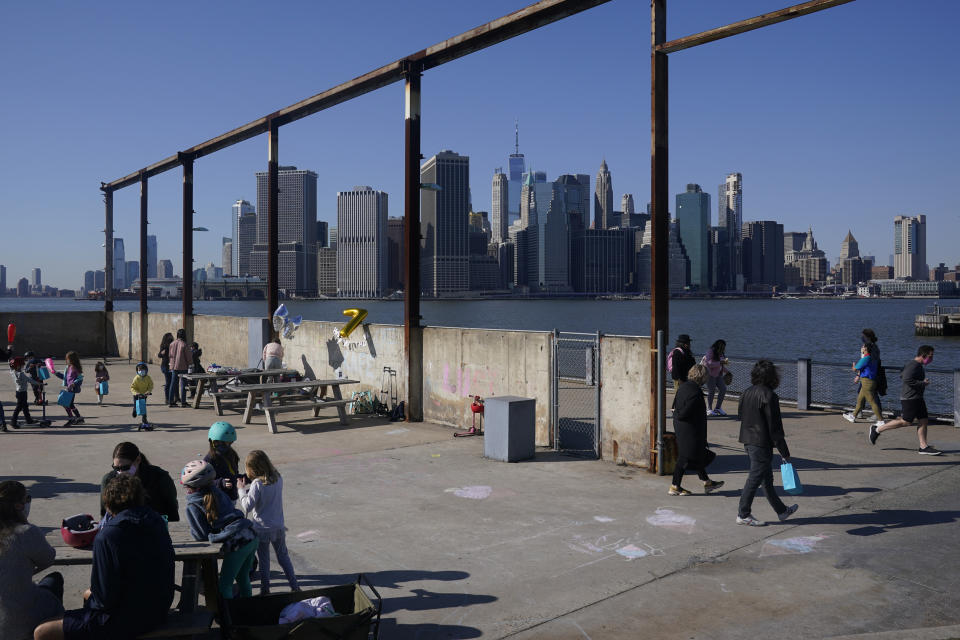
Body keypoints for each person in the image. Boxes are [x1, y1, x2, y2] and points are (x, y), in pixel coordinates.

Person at [34, 474, 175, 640]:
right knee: (88, 594)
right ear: (141, 497)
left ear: (108, 505)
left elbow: (103, 600)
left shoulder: (108, 536)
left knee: (42, 631)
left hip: (132, 618)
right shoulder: (156, 520)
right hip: (158, 609)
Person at [182, 460, 258, 599]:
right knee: (243, 578)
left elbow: (201, 536)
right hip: (251, 534)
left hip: (237, 543)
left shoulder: (193, 505)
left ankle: (228, 618)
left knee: (224, 586)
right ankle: (249, 610)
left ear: (190, 487)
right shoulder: (217, 491)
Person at [736, 359, 798, 526]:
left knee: (766, 479)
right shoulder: (769, 396)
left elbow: (740, 415)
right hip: (761, 443)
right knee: (755, 478)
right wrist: (784, 452)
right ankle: (743, 514)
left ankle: (782, 511)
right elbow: (775, 427)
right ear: (772, 377)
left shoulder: (746, 392)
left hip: (748, 441)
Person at [0, 481, 65, 640]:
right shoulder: (26, 532)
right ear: (18, 506)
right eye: (26, 498)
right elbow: (48, 558)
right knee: (54, 580)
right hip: (19, 623)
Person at [239, 450, 300, 594]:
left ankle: (265, 589)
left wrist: (241, 490)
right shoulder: (278, 478)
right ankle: (295, 586)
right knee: (283, 556)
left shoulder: (257, 484)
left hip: (262, 529)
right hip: (278, 526)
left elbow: (248, 505)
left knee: (264, 560)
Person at [869, 345, 940, 455]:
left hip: (918, 397)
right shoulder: (914, 365)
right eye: (930, 356)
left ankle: (923, 447)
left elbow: (902, 374)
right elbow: (906, 378)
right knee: (906, 421)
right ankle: (877, 429)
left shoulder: (916, 365)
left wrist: (920, 383)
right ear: (923, 355)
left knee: (923, 420)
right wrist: (923, 383)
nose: (931, 359)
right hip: (910, 398)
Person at [668, 364, 724, 496]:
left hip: (682, 427)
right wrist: (678, 414)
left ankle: (707, 482)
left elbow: (676, 407)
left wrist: (676, 413)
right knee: (685, 457)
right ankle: (675, 486)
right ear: (702, 377)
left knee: (696, 455)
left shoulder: (683, 387)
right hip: (690, 429)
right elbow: (683, 412)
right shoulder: (696, 392)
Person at [100, 442, 179, 522]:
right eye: (116, 468)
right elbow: (104, 513)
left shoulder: (159, 477)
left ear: (138, 460)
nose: (121, 472)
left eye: (125, 467)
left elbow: (172, 507)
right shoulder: (109, 480)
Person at [843, 342, 884, 425]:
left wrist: (853, 366)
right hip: (871, 381)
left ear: (866, 349)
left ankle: (881, 420)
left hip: (866, 382)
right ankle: (853, 416)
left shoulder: (866, 358)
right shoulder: (873, 358)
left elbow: (856, 368)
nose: (861, 347)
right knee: (860, 399)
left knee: (872, 401)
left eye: (863, 346)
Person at [205, 421, 242, 502]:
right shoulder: (209, 460)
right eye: (224, 443)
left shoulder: (232, 455)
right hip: (218, 498)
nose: (227, 446)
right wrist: (221, 483)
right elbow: (205, 482)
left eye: (229, 443)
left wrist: (244, 478)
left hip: (231, 496)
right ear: (214, 442)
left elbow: (233, 474)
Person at [8, 356, 40, 430]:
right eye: (22, 365)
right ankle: (13, 422)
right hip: (22, 393)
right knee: (19, 407)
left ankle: (28, 420)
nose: (23, 366)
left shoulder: (12, 371)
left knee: (25, 406)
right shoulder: (20, 374)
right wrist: (39, 384)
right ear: (18, 366)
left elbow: (11, 366)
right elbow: (29, 380)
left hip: (18, 392)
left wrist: (11, 361)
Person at [53, 352, 84, 425]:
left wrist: (74, 383)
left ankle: (72, 418)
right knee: (69, 404)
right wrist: (56, 373)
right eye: (67, 358)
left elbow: (80, 378)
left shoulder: (74, 367)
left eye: (68, 358)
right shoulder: (68, 367)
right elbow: (65, 378)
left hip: (72, 389)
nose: (67, 360)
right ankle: (78, 418)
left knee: (66, 403)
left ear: (72, 359)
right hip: (69, 388)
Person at [704, 339, 730, 416]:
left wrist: (727, 372)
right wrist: (720, 362)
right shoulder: (711, 351)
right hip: (710, 374)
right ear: (719, 346)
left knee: (723, 389)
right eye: (723, 347)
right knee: (711, 391)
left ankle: (718, 408)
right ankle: (709, 409)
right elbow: (709, 363)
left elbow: (720, 366)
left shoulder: (721, 353)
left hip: (718, 375)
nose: (724, 349)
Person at [167, 329, 191, 408]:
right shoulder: (184, 344)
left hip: (174, 366)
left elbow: (170, 355)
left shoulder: (172, 343)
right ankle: (183, 402)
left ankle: (171, 401)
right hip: (183, 366)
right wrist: (191, 364)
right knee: (183, 384)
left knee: (173, 384)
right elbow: (188, 357)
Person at [130, 362, 155, 431]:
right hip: (137, 394)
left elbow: (151, 385)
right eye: (139, 370)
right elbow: (132, 387)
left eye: (143, 370)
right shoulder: (136, 378)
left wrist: (148, 391)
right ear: (137, 371)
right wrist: (136, 393)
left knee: (143, 407)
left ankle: (144, 419)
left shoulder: (148, 378)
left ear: (146, 370)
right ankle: (134, 410)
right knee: (136, 405)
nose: (141, 371)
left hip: (144, 394)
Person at [157, 332, 174, 404]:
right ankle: (167, 399)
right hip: (165, 366)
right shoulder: (164, 346)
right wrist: (161, 353)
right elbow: (159, 355)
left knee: (172, 382)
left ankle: (173, 398)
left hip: (172, 366)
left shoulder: (173, 345)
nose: (171, 338)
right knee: (168, 383)